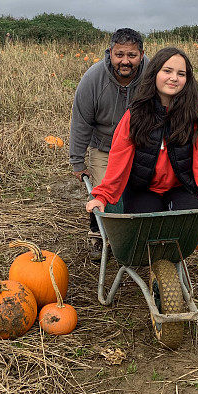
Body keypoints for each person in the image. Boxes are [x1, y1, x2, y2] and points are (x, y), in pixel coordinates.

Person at [85, 47, 198, 217]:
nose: (174, 78)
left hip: (182, 187)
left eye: (181, 74)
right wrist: (103, 196)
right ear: (154, 74)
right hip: (143, 188)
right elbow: (119, 157)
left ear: (187, 79)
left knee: (186, 217)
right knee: (146, 221)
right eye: (167, 71)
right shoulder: (136, 114)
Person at [69, 27, 147, 258]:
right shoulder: (93, 79)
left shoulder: (152, 75)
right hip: (104, 146)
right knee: (104, 190)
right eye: (119, 54)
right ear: (110, 52)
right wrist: (77, 160)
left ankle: (133, 234)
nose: (125, 61)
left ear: (141, 55)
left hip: (140, 145)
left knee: (138, 189)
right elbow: (81, 120)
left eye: (131, 55)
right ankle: (98, 234)